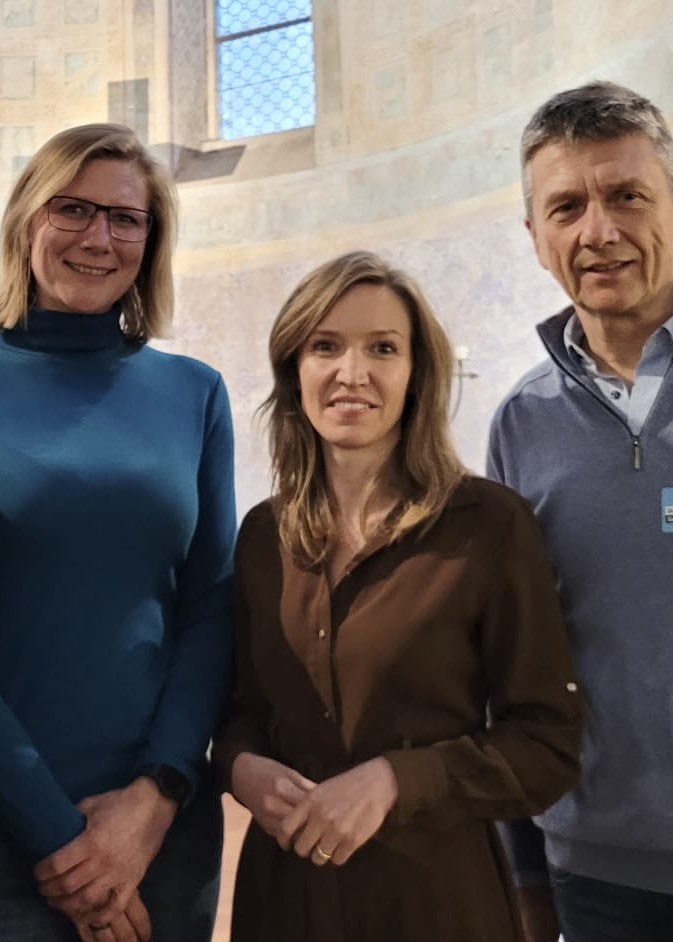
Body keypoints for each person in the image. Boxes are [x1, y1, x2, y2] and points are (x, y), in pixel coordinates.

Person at [0, 122, 236, 942]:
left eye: (127, 218)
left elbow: (212, 607)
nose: (99, 236)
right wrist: (58, 833)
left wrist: (155, 800)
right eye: (71, 209)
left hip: (161, 828)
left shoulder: (195, 392)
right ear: (25, 223)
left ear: (152, 242)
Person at [213, 250, 582, 942]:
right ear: (295, 369)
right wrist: (241, 768)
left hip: (434, 901)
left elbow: (546, 745)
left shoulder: (489, 527)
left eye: (382, 348)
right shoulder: (263, 535)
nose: (352, 373)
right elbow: (241, 714)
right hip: (287, 898)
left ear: (416, 376)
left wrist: (399, 779)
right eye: (326, 346)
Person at [487, 81, 673, 942]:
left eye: (626, 197)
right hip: (595, 871)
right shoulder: (520, 422)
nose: (597, 232)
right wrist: (525, 872)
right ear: (536, 239)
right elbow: (509, 663)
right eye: (565, 207)